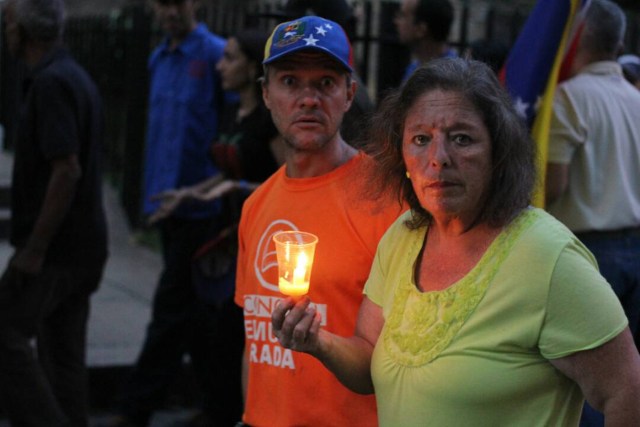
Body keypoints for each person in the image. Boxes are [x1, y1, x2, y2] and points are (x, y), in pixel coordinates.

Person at [271, 57, 640, 426]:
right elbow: (369, 360)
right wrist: (317, 341)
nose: (439, 158)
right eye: (420, 139)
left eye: (462, 139)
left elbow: (627, 390)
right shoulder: (404, 236)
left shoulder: (548, 257)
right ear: (400, 155)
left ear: (498, 152)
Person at [234, 15, 405, 427]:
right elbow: (254, 341)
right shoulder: (256, 206)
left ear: (349, 93)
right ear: (266, 94)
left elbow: (402, 358)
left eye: (325, 83)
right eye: (290, 81)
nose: (308, 99)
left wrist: (320, 343)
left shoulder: (388, 202)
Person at [144, 29, 282, 424]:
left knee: (234, 329)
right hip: (225, 229)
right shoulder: (231, 111)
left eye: (231, 58)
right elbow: (222, 171)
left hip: (257, 235)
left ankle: (234, 412)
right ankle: (216, 408)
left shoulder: (266, 121)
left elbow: (286, 180)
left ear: (252, 67)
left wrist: (234, 187)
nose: (221, 65)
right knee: (208, 324)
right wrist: (187, 193)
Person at [108, 0, 228, 425]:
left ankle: (135, 408)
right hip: (165, 206)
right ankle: (219, 404)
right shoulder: (159, 57)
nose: (170, 12)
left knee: (170, 308)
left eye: (177, 3)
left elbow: (231, 131)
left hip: (201, 206)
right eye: (162, 4)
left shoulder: (214, 55)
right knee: (195, 313)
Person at [0, 0, 108, 425]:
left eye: (7, 24)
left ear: (23, 31)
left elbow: (66, 171)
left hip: (57, 253)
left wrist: (34, 249)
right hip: (84, 247)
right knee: (63, 356)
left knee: (4, 331)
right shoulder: (73, 76)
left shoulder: (51, 83)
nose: (4, 33)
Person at [545, 2, 640, 424]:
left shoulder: (569, 98)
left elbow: (555, 184)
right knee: (627, 377)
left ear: (577, 38)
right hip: (635, 246)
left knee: (588, 383)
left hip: (589, 255)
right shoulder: (635, 98)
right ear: (618, 44)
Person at [394, 0, 456, 84]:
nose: (396, 22)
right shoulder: (414, 67)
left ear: (421, 29)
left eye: (403, 16)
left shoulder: (451, 77)